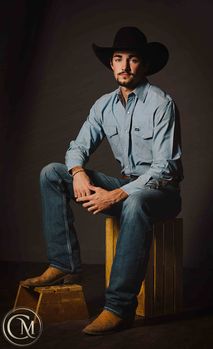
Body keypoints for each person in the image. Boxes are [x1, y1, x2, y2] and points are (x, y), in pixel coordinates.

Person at [21, 27, 183, 335]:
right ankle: (64, 264)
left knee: (135, 200)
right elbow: (78, 147)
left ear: (144, 66)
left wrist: (118, 194)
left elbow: (165, 168)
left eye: (132, 60)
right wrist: (78, 171)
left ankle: (118, 308)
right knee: (52, 173)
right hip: (125, 188)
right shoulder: (104, 105)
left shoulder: (162, 104)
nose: (124, 66)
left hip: (162, 193)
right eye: (118, 59)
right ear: (111, 64)